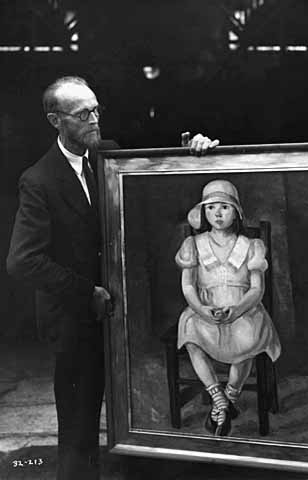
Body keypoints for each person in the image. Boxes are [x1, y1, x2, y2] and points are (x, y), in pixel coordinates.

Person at [6, 75, 219, 480]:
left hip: (122, 316)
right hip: (74, 323)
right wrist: (87, 291)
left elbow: (155, 177)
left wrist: (194, 151)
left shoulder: (110, 155)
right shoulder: (39, 180)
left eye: (96, 109)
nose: (94, 120)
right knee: (80, 433)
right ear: (56, 121)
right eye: (83, 113)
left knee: (136, 425)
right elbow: (22, 260)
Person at [175, 179, 281, 436]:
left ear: (236, 212)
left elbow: (257, 289)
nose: (217, 214)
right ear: (203, 212)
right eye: (211, 208)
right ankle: (217, 395)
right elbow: (188, 287)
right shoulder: (193, 245)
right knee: (190, 330)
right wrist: (202, 310)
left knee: (249, 337)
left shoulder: (251, 246)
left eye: (224, 207)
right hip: (205, 308)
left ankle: (229, 397)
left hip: (243, 309)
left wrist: (237, 310)